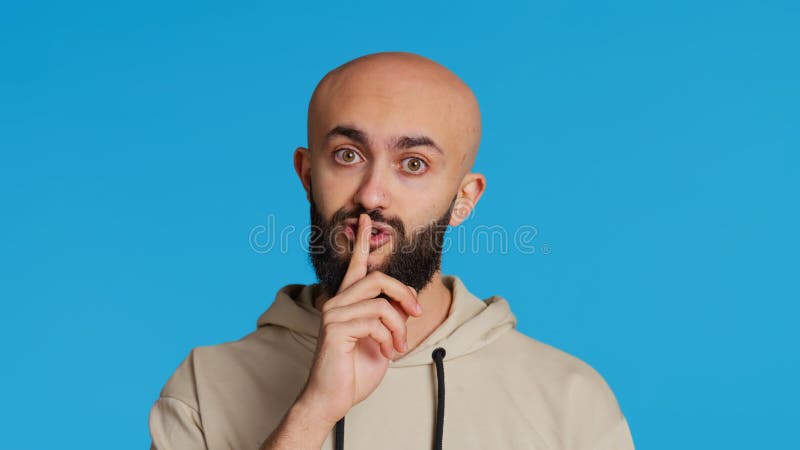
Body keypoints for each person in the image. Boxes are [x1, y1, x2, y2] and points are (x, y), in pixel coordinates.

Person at [148, 51, 635, 450]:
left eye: (414, 163)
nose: (372, 194)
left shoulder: (571, 401)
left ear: (464, 199)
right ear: (307, 174)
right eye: (348, 155)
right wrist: (313, 412)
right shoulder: (203, 388)